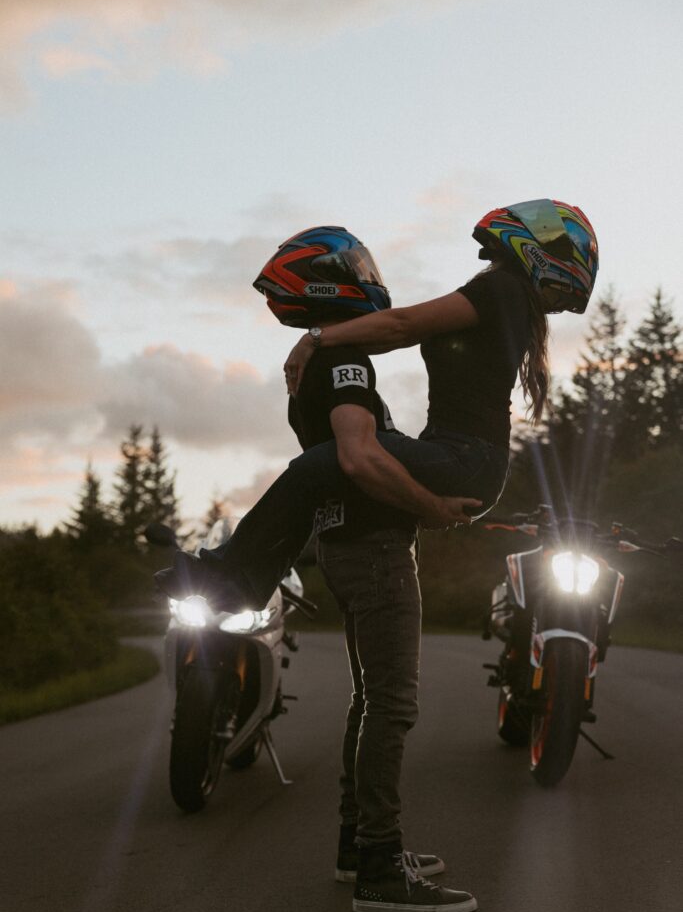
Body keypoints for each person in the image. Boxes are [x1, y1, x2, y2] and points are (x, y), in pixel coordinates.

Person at [157, 199, 599, 617]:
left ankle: (232, 577)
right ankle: (242, 580)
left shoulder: (500, 289)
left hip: (465, 460)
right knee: (329, 466)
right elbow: (390, 335)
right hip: (465, 458)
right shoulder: (505, 297)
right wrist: (323, 345)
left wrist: (314, 340)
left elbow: (402, 325)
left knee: (320, 464)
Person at [259, 226, 478, 912]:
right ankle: (381, 870)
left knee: (367, 699)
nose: (368, 273)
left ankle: (359, 847)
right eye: (355, 265)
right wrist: (433, 508)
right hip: (373, 550)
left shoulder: (321, 362)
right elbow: (357, 457)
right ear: (329, 280)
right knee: (392, 705)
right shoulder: (345, 356)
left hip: (340, 547)